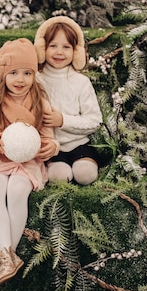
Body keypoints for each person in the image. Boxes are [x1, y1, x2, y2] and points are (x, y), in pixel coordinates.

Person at [0, 38, 59, 286]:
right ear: (3, 76)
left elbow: (49, 139)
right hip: (0, 160)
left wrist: (51, 147)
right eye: (13, 73)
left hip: (29, 162)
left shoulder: (41, 104)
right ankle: (8, 255)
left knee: (16, 189)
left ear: (34, 75)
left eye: (27, 73)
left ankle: (5, 255)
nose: (20, 79)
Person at [34, 15, 103, 185]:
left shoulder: (81, 82)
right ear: (42, 49)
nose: (59, 52)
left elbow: (95, 121)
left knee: (85, 174)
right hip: (51, 148)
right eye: (53, 46)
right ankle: (58, 166)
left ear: (76, 52)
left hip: (79, 145)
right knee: (59, 176)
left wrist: (63, 120)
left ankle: (83, 164)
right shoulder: (36, 79)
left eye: (66, 47)